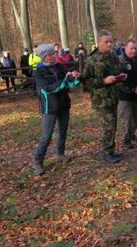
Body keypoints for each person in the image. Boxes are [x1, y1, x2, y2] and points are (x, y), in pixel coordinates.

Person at [33, 43, 80, 176]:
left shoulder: (59, 67)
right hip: (50, 107)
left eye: (53, 53)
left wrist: (73, 78)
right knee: (46, 136)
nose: (54, 56)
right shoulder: (38, 72)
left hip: (64, 104)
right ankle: (38, 161)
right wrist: (64, 81)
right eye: (50, 54)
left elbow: (68, 85)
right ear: (44, 57)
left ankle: (60, 154)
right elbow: (49, 88)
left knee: (63, 132)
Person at [82, 30, 127, 164]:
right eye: (106, 42)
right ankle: (107, 152)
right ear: (98, 42)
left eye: (110, 42)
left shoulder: (113, 57)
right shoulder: (92, 60)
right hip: (101, 100)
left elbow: (117, 72)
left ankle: (110, 149)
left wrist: (121, 77)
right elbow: (85, 82)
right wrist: (103, 81)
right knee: (108, 126)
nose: (109, 45)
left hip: (113, 96)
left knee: (112, 125)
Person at [117, 40, 137, 149]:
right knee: (126, 118)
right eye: (131, 48)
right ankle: (126, 139)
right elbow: (118, 81)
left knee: (136, 117)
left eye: (135, 48)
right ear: (125, 48)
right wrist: (132, 89)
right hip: (125, 96)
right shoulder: (119, 62)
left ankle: (132, 134)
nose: (134, 51)